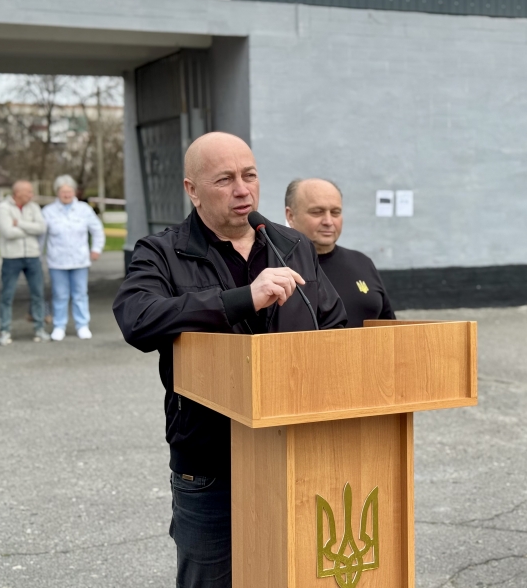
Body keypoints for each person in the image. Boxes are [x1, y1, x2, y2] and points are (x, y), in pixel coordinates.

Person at [112, 132, 347, 587]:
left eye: (249, 175)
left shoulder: (290, 245)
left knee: (290, 575)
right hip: (210, 461)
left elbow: (333, 326)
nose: (243, 190)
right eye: (225, 180)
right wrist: (243, 299)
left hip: (295, 448)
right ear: (192, 190)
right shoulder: (162, 252)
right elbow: (137, 319)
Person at [285, 178, 395, 328]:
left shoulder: (362, 263)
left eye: (335, 213)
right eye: (317, 212)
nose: (328, 221)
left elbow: (392, 328)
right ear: (290, 216)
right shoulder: (276, 265)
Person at [42, 175, 105, 341]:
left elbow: (97, 230)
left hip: (80, 260)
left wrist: (96, 249)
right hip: (57, 261)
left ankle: (82, 325)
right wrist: (38, 254)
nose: (66, 194)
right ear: (57, 192)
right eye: (63, 191)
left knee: (80, 294)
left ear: (74, 192)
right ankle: (59, 326)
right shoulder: (48, 211)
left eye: (69, 191)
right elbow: (41, 236)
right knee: (60, 294)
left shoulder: (84, 209)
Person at [0, 180, 50, 345]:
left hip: (33, 256)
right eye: (29, 192)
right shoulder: (3, 208)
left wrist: (19, 223)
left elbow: (41, 228)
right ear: (18, 193)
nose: (31, 195)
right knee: (7, 295)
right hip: (11, 257)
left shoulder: (33, 207)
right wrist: (30, 229)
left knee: (38, 293)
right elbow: (7, 232)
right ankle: (5, 331)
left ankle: (39, 329)